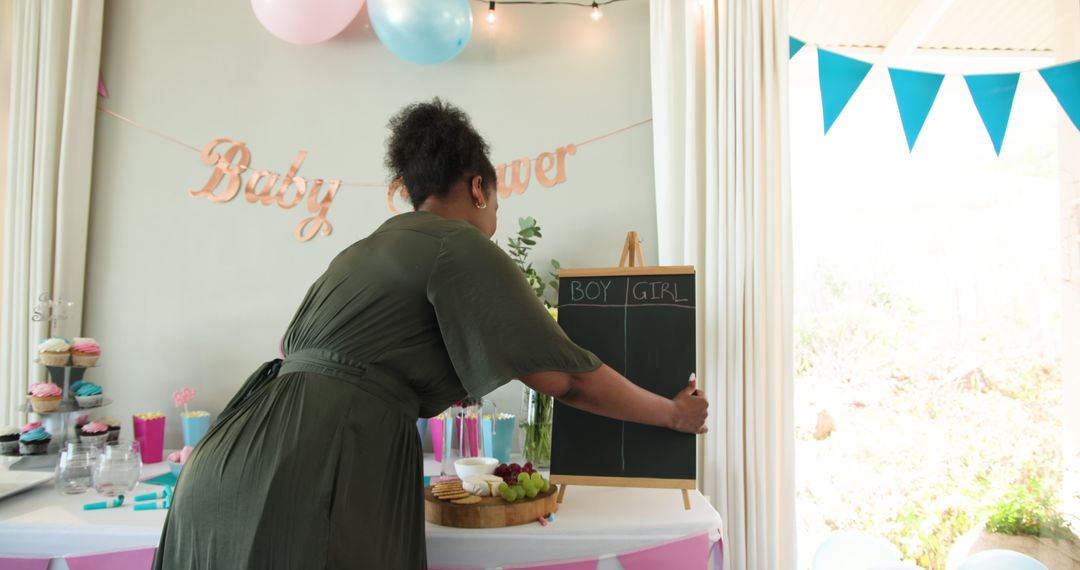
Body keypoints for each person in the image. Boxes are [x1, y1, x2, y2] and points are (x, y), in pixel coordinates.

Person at [154, 99, 708, 569]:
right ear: (478, 187)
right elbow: (566, 379)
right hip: (318, 463)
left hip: (228, 459)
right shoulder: (459, 245)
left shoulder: (361, 251)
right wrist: (671, 414)